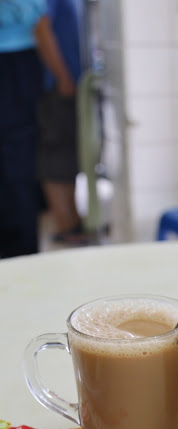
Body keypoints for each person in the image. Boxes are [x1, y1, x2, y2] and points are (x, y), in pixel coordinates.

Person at [0, 0, 75, 258]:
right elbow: (40, 25)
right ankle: (19, 255)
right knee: (18, 163)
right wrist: (63, 77)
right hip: (13, 67)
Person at [37, 0, 85, 244]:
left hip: (70, 84)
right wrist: (62, 76)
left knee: (68, 154)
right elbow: (40, 27)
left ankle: (74, 219)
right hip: (56, 85)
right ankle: (64, 225)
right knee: (55, 153)